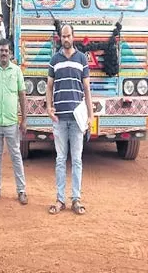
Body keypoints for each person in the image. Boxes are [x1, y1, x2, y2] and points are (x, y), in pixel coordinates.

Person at [46, 24, 93, 216]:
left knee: (77, 159)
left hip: (76, 119)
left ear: (74, 37)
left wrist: (90, 115)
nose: (66, 39)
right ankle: (59, 199)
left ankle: (76, 199)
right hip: (59, 119)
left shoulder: (82, 59)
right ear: (60, 38)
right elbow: (49, 86)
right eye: (63, 36)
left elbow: (87, 89)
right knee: (59, 159)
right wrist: (49, 107)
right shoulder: (54, 60)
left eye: (68, 36)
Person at [0, 39, 28, 205]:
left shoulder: (16, 71)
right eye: (1, 50)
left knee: (16, 156)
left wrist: (24, 119)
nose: (3, 53)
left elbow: (22, 95)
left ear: (10, 53)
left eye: (6, 51)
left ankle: (21, 191)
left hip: (11, 122)